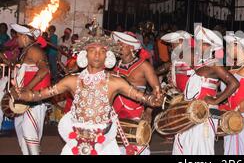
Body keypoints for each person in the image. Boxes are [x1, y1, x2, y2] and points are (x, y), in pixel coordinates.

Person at [12, 25, 162, 155]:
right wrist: (25, 94)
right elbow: (42, 94)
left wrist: (153, 100)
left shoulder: (115, 81)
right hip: (75, 139)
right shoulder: (72, 80)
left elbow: (140, 96)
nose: (97, 55)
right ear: (84, 54)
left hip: (105, 141)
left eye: (102, 51)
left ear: (108, 56)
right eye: (92, 50)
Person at [172, 25, 239, 155]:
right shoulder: (198, 63)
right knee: (184, 145)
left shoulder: (214, 64)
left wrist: (216, 100)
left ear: (209, 46)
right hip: (190, 111)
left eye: (200, 43)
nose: (197, 45)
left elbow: (234, 83)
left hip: (205, 114)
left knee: (201, 150)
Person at [111, 31, 162, 155]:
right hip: (114, 115)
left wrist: (149, 111)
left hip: (135, 114)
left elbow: (158, 92)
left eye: (122, 45)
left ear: (132, 47)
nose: (118, 47)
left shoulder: (144, 66)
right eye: (117, 45)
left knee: (136, 150)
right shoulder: (112, 66)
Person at [8, 24, 51, 155]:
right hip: (25, 99)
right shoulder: (26, 51)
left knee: (29, 132)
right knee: (21, 130)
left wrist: (26, 89)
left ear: (25, 37)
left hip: (34, 98)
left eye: (18, 37)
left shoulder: (34, 51)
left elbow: (44, 70)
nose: (17, 40)